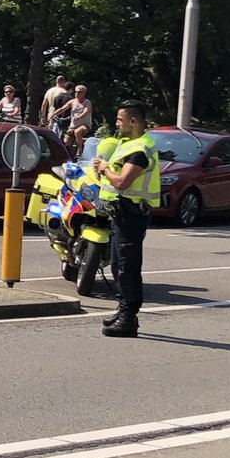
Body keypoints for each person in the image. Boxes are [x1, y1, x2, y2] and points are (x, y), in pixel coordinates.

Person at [91, 99, 161, 338]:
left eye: (120, 120)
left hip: (131, 214)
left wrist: (105, 169)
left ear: (133, 121)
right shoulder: (127, 144)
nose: (117, 124)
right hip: (121, 213)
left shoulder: (139, 149)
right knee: (118, 265)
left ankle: (128, 318)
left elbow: (122, 182)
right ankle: (122, 309)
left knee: (127, 267)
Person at [61, 85, 94, 157]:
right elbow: (62, 109)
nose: (77, 94)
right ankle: (70, 154)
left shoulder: (87, 102)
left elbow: (86, 111)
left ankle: (80, 149)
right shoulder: (72, 101)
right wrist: (53, 114)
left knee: (77, 132)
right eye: (76, 92)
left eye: (79, 92)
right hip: (73, 126)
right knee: (66, 140)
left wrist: (79, 117)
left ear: (84, 93)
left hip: (85, 125)